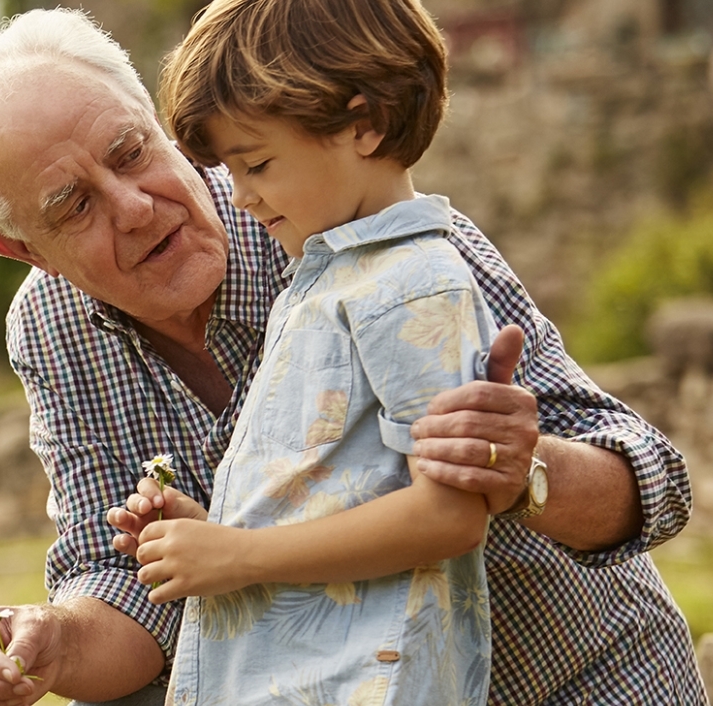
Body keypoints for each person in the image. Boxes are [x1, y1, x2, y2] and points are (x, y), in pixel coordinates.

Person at [0, 8, 703, 706]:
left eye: (131, 153)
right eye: (75, 205)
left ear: (159, 126)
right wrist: (51, 643)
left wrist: (525, 471)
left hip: (573, 680)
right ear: (24, 250)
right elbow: (127, 583)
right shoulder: (52, 326)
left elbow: (651, 483)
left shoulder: (365, 230)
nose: (133, 208)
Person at [135, 0, 500, 700]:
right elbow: (343, 489)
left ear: (363, 124)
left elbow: (450, 515)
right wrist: (217, 533)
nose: (239, 198)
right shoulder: (330, 277)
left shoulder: (415, 285)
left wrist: (240, 555)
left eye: (259, 164)